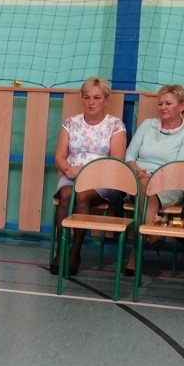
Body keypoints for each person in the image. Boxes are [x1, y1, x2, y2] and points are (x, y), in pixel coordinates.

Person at [50, 76, 127, 275]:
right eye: (87, 97)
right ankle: (61, 250)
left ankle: (75, 252)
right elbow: (59, 156)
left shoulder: (116, 125)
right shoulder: (71, 123)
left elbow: (116, 161)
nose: (91, 102)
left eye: (97, 98)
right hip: (72, 175)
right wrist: (68, 170)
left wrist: (84, 172)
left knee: (82, 196)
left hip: (104, 178)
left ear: (106, 100)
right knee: (66, 194)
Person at [123, 84, 184, 275]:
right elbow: (129, 156)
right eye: (160, 103)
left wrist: (151, 177)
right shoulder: (147, 125)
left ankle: (136, 254)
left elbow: (178, 170)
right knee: (144, 186)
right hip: (137, 179)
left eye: (168, 103)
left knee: (146, 188)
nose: (162, 107)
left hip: (169, 186)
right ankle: (153, 235)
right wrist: (138, 171)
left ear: (182, 106)